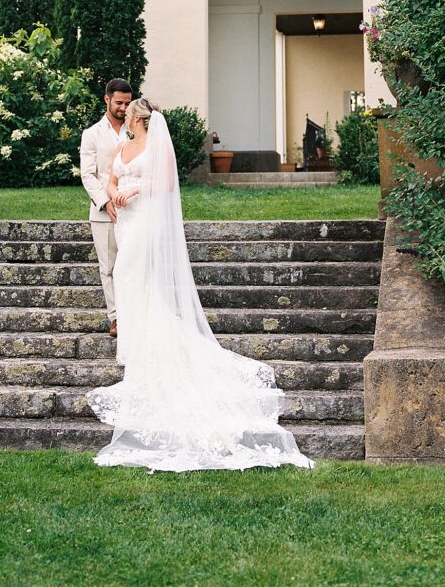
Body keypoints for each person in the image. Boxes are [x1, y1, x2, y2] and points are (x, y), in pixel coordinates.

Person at [86, 97, 314, 473]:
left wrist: (135, 190)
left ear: (141, 119)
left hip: (144, 220)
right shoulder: (123, 147)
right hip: (124, 222)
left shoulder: (156, 146)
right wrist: (114, 197)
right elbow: (111, 179)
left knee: (133, 272)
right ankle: (135, 341)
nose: (123, 118)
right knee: (127, 278)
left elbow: (167, 183)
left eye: (128, 115)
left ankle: (151, 341)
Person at [79, 78, 133, 337]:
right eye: (119, 102)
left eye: (128, 103)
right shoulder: (92, 134)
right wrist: (105, 201)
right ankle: (116, 318)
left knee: (134, 264)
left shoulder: (136, 129)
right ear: (107, 99)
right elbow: (88, 175)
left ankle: (137, 314)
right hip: (104, 212)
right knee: (109, 267)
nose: (124, 108)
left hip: (135, 209)